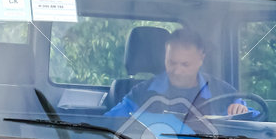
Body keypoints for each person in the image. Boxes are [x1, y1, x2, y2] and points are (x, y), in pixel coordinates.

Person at [105, 28, 252, 119]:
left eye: (185, 64)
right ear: (165, 57)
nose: (177, 71)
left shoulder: (223, 92)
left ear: (201, 58)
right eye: (171, 62)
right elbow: (107, 125)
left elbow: (254, 120)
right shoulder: (142, 93)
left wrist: (242, 112)